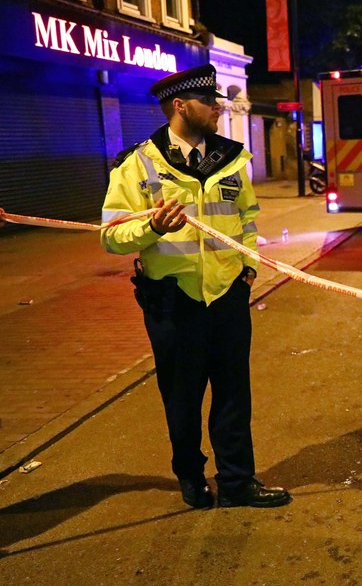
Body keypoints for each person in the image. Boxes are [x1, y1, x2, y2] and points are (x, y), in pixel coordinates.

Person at [100, 64, 290, 510]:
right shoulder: (138, 163)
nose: (218, 108)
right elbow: (111, 235)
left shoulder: (231, 158)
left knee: (233, 394)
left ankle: (237, 482)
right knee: (182, 398)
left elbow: (246, 220)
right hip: (173, 302)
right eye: (209, 102)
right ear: (181, 106)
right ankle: (190, 476)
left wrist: (247, 270)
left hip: (227, 296)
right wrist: (152, 229)